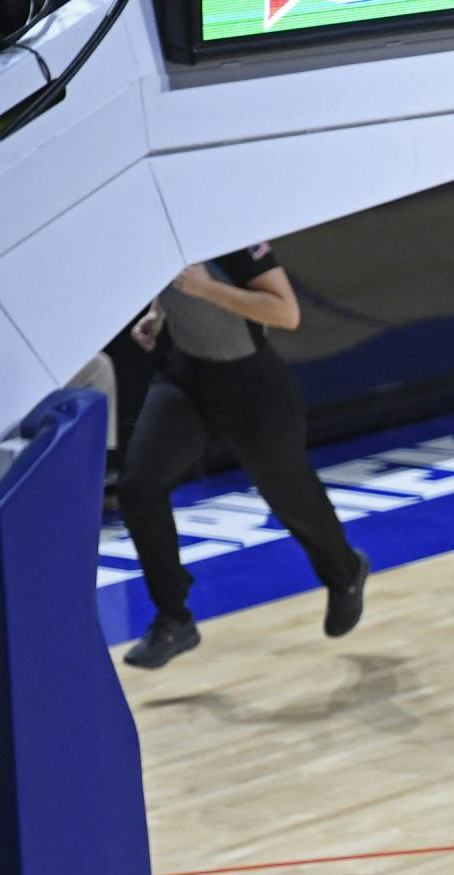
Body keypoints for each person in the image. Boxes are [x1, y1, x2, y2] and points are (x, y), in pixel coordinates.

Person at [118, 244, 368, 668]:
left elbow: (286, 313)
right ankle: (174, 618)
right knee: (138, 488)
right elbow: (175, 283)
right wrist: (159, 315)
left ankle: (345, 574)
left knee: (290, 496)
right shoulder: (158, 226)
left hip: (251, 386)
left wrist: (207, 289)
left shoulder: (231, 236)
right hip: (186, 377)